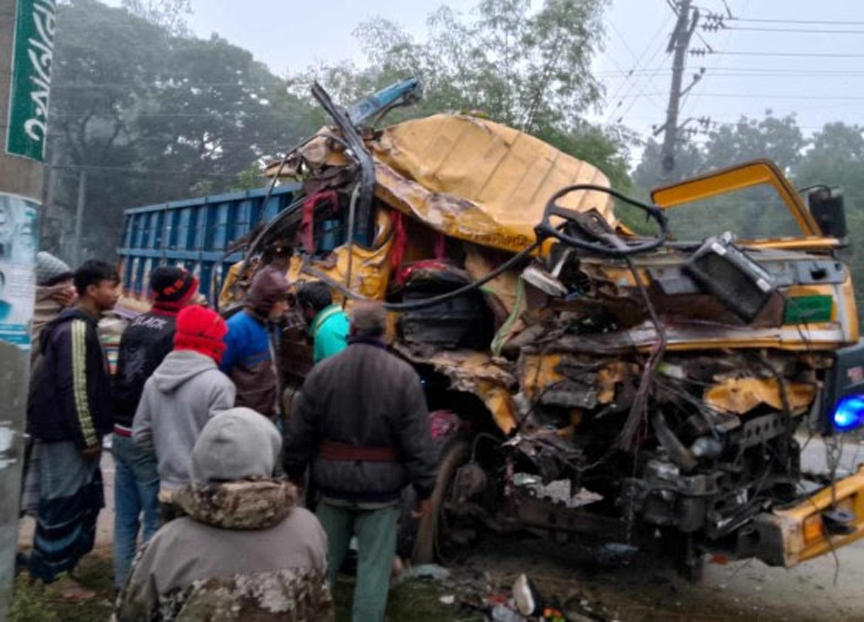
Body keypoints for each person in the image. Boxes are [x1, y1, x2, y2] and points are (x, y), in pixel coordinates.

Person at [283, 302, 437, 622]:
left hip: (331, 488)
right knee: (373, 574)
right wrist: (425, 490)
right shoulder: (403, 377)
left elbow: (300, 431)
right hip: (380, 495)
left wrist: (294, 473)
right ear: (384, 332)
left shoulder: (323, 372)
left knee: (320, 569)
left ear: (351, 330)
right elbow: (418, 441)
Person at [116, 407, 333, 621]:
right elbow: (320, 608)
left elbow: (131, 614)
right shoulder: (308, 530)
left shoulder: (168, 544)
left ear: (199, 459)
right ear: (269, 456)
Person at [26, 259, 120, 597]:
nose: (117, 294)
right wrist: (87, 437)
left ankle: (49, 568)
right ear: (92, 290)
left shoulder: (83, 324)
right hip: (67, 435)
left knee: (76, 501)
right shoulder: (76, 329)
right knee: (62, 503)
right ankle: (55, 578)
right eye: (111, 287)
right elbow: (74, 387)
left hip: (68, 433)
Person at [111, 266, 199, 590]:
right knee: (154, 517)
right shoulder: (175, 332)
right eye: (193, 291)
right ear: (181, 293)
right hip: (147, 432)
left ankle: (122, 582)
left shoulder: (136, 323)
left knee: (124, 517)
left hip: (121, 429)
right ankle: (146, 591)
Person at [133, 305, 234, 519]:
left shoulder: (154, 381)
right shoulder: (219, 385)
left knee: (169, 538)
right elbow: (220, 444)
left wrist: (169, 454)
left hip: (168, 488)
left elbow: (140, 435)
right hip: (204, 493)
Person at [20, 252, 76, 519]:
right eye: (61, 283)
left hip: (29, 419)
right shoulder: (32, 321)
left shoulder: (58, 319)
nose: (68, 289)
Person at [220, 265, 289, 419]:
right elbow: (218, 377)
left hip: (272, 414)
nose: (286, 307)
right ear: (266, 301)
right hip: (245, 420)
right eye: (281, 301)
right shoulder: (234, 329)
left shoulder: (272, 325)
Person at [296, 281, 349, 363]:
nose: (302, 315)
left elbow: (339, 368)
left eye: (301, 309)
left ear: (309, 307)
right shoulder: (340, 317)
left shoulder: (326, 331)